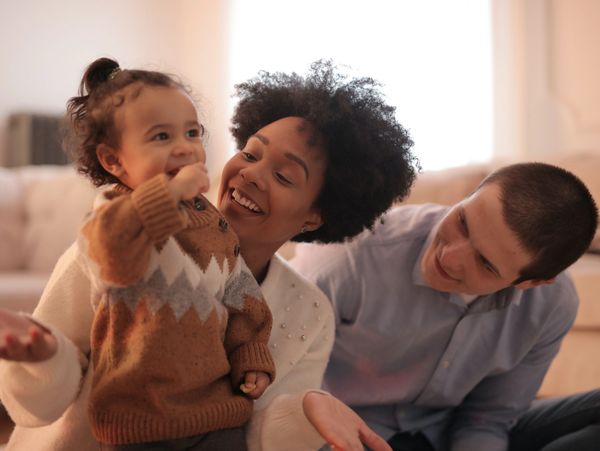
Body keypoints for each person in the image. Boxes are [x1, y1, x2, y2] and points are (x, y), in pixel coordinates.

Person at [0, 60, 419, 451]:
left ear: (314, 216)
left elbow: (255, 434)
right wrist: (42, 359)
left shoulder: (310, 313)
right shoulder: (120, 240)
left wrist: (309, 409)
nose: (250, 173)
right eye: (251, 153)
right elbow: (32, 411)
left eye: (282, 175)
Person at [290, 162, 600, 451]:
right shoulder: (349, 257)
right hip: (346, 436)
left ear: (531, 282)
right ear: (470, 194)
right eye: (463, 222)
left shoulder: (551, 304)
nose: (449, 257)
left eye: (485, 264)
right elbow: (274, 389)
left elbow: (487, 419)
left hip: (447, 431)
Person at [62, 57, 278, 449]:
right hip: (140, 422)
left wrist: (251, 355)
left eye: (192, 133)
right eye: (162, 137)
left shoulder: (211, 222)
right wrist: (170, 193)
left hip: (219, 415)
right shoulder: (115, 212)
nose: (185, 148)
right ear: (114, 160)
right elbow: (110, 251)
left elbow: (241, 295)